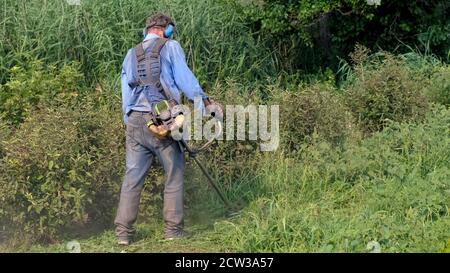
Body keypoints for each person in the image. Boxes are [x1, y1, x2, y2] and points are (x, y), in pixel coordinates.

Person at [114, 13, 209, 245]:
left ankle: (123, 234)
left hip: (136, 120)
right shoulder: (171, 46)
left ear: (146, 30)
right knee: (174, 173)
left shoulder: (131, 53)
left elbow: (126, 92)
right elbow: (185, 79)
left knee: (132, 177)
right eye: (170, 29)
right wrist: (204, 103)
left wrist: (130, 121)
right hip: (163, 121)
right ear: (165, 29)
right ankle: (172, 230)